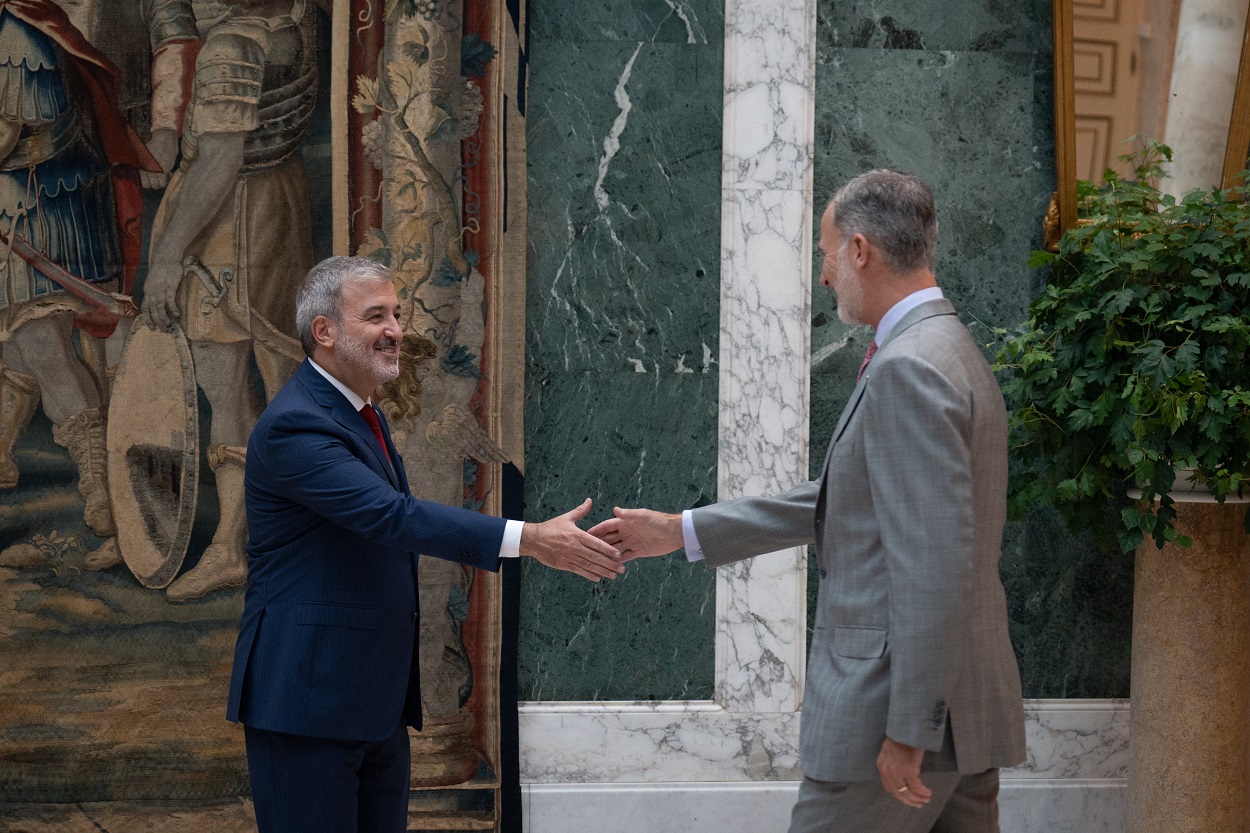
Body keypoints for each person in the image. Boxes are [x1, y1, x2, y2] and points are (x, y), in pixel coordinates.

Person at [590, 170, 1026, 833]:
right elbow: (854, 499)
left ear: (859, 250)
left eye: (824, 253)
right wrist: (683, 529)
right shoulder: (951, 347)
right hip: (964, 711)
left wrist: (909, 729)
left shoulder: (908, 366)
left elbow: (934, 565)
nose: (824, 276)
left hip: (898, 720)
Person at [227, 255, 623, 833]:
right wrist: (530, 539)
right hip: (307, 706)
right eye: (376, 315)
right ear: (325, 331)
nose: (396, 329)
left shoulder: (364, 414)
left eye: (397, 313)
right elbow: (390, 516)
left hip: (374, 705)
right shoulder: (297, 426)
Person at [141, 0, 318, 601]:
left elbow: (217, 165)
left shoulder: (233, 44)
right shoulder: (296, 18)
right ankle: (271, 539)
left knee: (228, 382)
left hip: (230, 221)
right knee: (280, 375)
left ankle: (232, 548)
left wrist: (166, 258)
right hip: (279, 199)